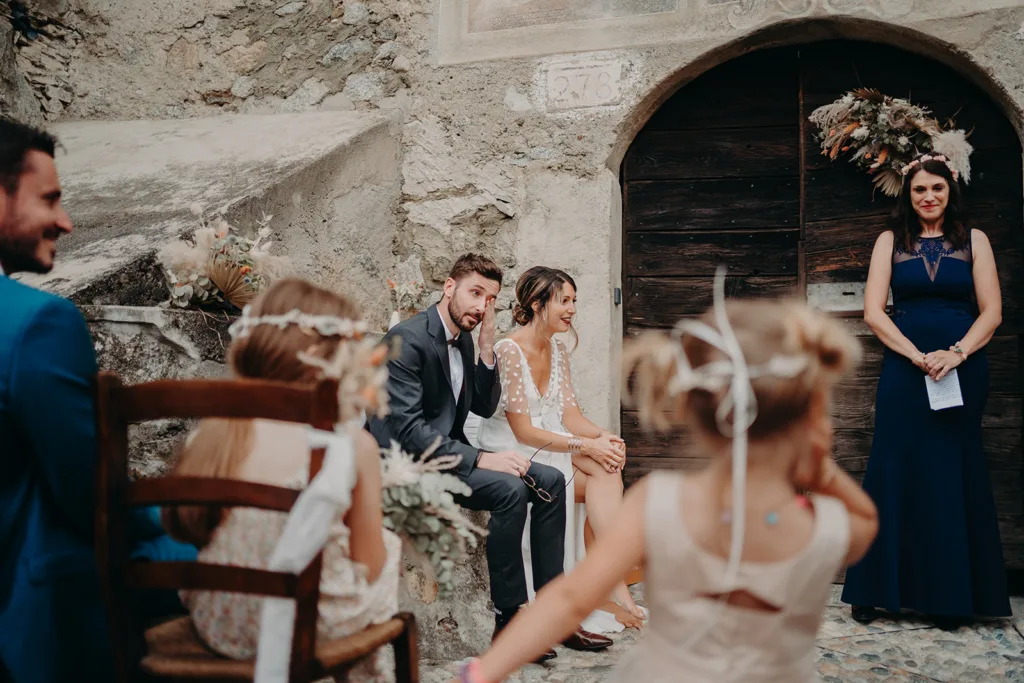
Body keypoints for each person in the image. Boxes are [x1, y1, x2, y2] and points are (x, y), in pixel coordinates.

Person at [451, 279, 880, 683]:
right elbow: (867, 520)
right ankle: (620, 594)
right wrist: (821, 470)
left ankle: (615, 586)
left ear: (696, 414)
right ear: (813, 422)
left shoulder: (658, 502)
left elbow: (568, 600)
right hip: (528, 452)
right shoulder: (821, 528)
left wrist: (483, 672)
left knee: (604, 473)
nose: (573, 309)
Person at [0, 116, 195, 683]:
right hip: (32, 605)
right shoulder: (36, 323)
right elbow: (91, 497)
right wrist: (186, 522)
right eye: (49, 199)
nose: (65, 220)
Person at [368, 253, 612, 661]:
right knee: (509, 489)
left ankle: (555, 616)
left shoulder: (466, 337)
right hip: (407, 463)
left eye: (490, 298)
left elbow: (483, 405)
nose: (482, 306)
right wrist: (479, 458)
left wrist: (484, 348)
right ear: (449, 287)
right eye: (474, 293)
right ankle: (510, 620)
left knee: (550, 482)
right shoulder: (406, 341)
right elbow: (406, 432)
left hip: (447, 455)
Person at [164, 278, 402, 681]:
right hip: (302, 626)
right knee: (389, 549)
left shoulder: (213, 434)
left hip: (220, 619)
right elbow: (370, 563)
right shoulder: (346, 443)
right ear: (316, 358)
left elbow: (188, 526)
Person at [841, 153, 1011, 627]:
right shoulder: (889, 241)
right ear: (908, 195)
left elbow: (992, 312)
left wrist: (955, 354)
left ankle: (949, 596)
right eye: (919, 190)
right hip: (905, 368)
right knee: (892, 467)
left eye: (936, 188)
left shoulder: (974, 241)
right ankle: (872, 589)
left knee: (950, 471)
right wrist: (917, 357)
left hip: (963, 368)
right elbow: (874, 312)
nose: (929, 196)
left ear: (950, 190)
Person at [476, 266, 643, 629]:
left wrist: (605, 438)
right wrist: (586, 445)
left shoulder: (559, 350)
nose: (572, 309)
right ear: (537, 304)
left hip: (553, 441)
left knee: (607, 465)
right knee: (600, 468)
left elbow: (570, 415)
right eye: (563, 301)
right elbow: (522, 431)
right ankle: (611, 583)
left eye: (574, 301)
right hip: (517, 448)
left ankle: (612, 583)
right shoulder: (509, 349)